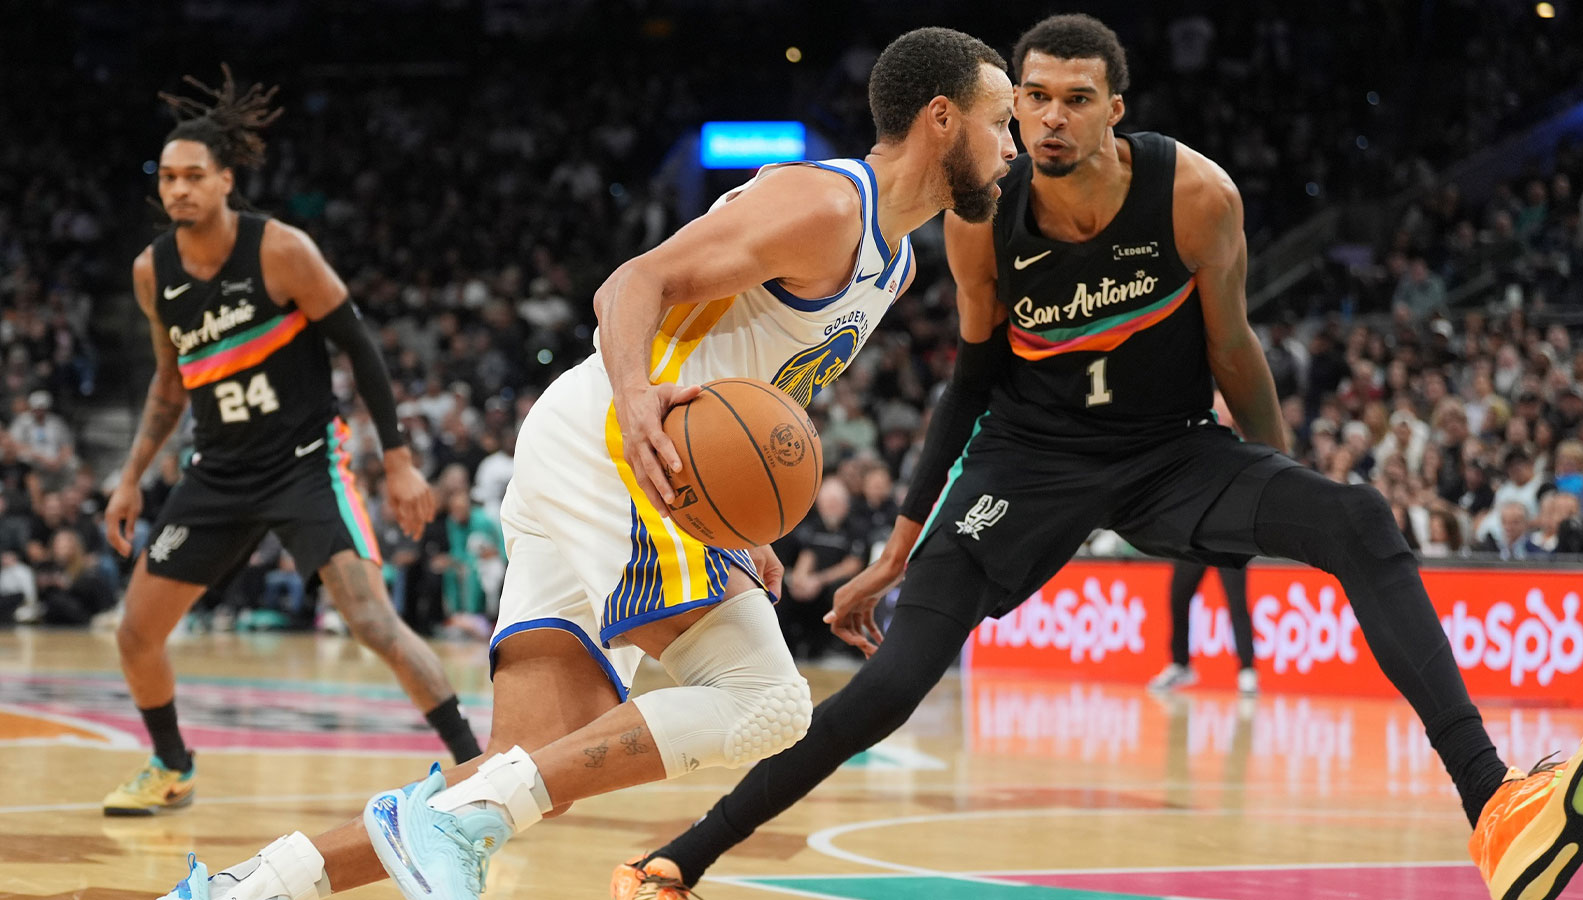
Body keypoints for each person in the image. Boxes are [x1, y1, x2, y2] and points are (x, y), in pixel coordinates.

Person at [620, 16, 1583, 900]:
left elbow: (1232, 351)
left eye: (1074, 99)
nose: (1047, 118)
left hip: (1167, 454)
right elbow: (969, 378)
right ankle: (681, 858)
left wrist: (1287, 483)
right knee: (889, 686)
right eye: (1032, 97)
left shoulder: (1194, 196)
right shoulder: (979, 220)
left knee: (1356, 519)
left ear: (1113, 111)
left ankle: (1494, 807)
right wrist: (898, 545)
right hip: (1025, 462)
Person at [156, 27, 1017, 900]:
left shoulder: (897, 262)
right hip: (624, 438)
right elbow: (631, 285)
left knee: (524, 771)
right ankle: (449, 825)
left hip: (616, 448)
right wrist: (641, 400)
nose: (1014, 148)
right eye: (1002, 123)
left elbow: (766, 388)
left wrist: (741, 523)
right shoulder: (828, 205)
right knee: (767, 701)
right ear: (941, 119)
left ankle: (244, 890)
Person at [102, 67, 481, 816]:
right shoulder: (154, 272)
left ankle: (479, 762)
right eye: (167, 177)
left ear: (225, 180)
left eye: (192, 176)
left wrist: (397, 460)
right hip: (217, 473)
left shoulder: (280, 250)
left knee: (372, 621)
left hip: (306, 463)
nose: (177, 189)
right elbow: (170, 383)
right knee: (135, 633)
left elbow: (361, 347)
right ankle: (172, 765)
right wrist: (129, 477)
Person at [1147, 561, 1255, 694]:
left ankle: (1247, 669)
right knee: (1178, 597)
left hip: (1228, 543)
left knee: (1237, 602)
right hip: (1197, 544)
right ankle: (1181, 664)